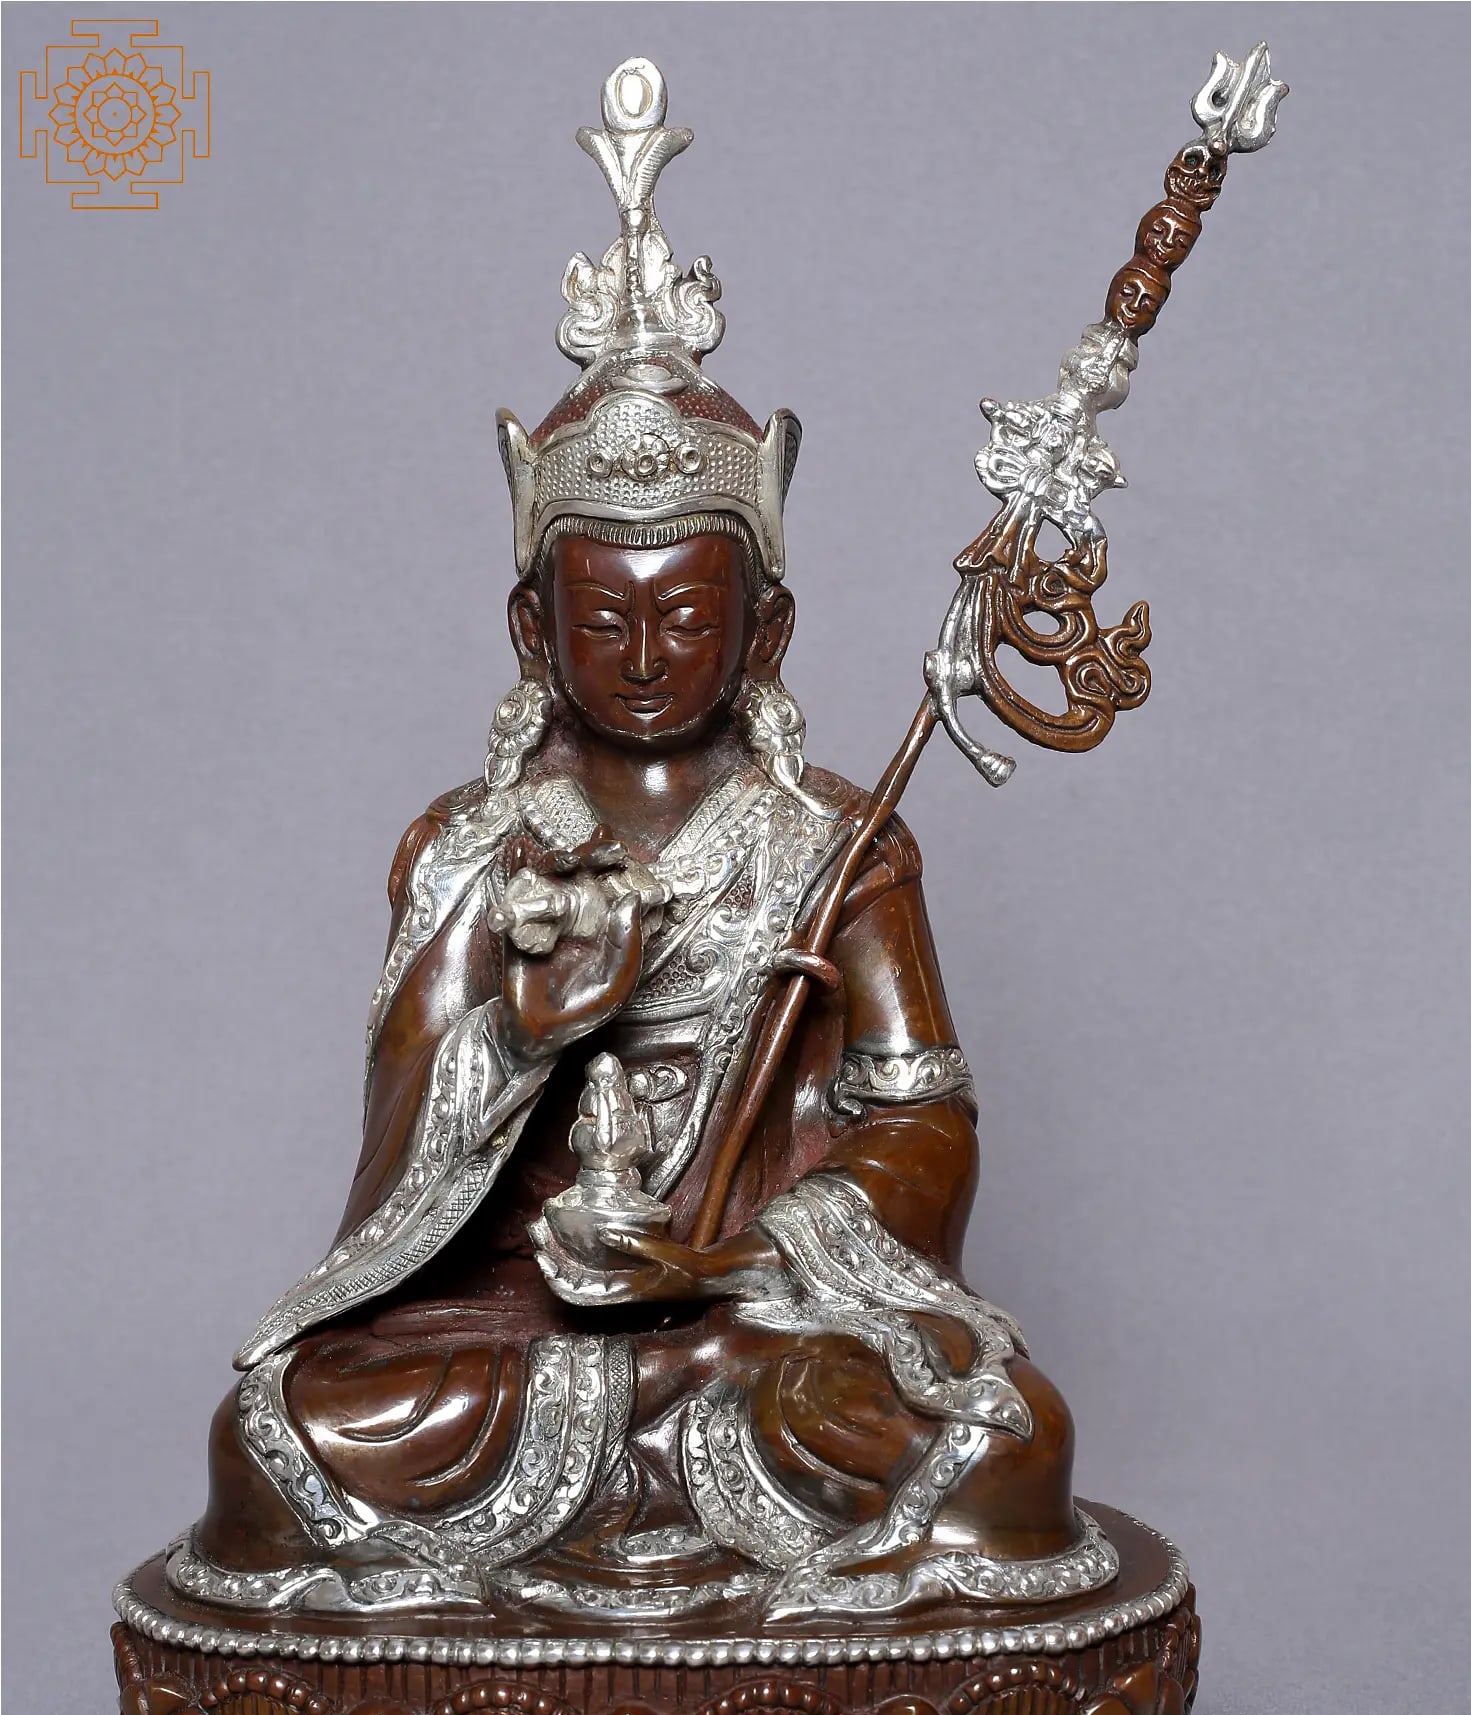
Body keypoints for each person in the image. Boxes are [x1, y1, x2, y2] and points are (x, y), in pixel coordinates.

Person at [178, 61, 1117, 1626]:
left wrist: (735, 1259)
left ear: (767, 631)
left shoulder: (840, 849)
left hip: (750, 1326)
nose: (644, 655)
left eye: (687, 614)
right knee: (275, 1434)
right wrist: (518, 1037)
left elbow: (922, 1128)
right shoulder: (466, 852)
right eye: (602, 616)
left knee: (1006, 1447)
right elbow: (393, 1180)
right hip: (511, 1329)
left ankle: (665, 1470)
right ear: (530, 629)